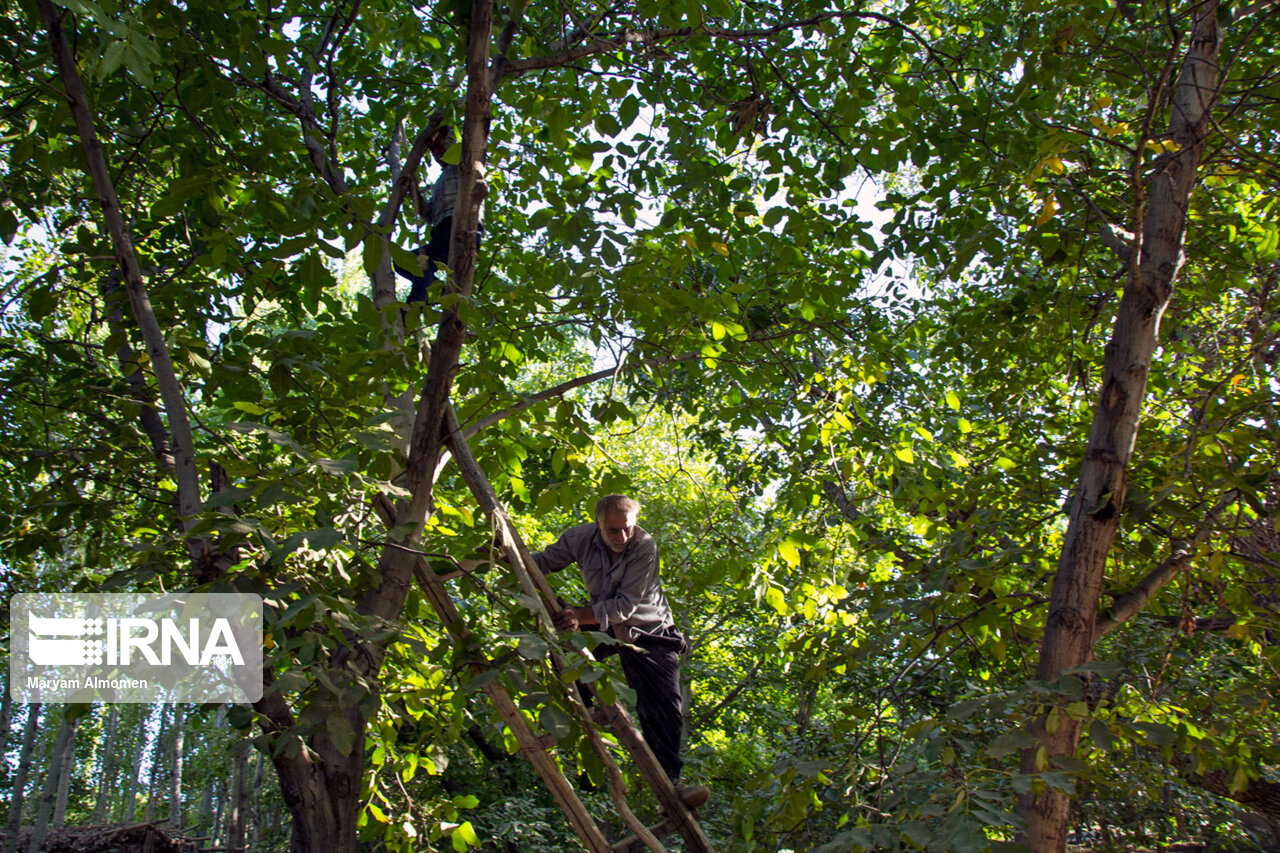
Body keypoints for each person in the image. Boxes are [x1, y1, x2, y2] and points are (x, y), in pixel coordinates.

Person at [534, 494, 710, 809]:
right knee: (560, 648)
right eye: (613, 531)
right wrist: (503, 554)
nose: (622, 537)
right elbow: (544, 563)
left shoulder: (644, 545)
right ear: (598, 524)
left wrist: (580, 616)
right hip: (603, 621)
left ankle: (672, 783)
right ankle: (583, 709)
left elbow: (626, 608)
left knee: (663, 703)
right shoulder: (579, 538)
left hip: (648, 628)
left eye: (627, 528)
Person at [394, 126, 468, 305]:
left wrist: (438, 132)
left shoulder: (463, 165)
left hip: (459, 225)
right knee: (403, 262)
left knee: (424, 262)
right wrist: (413, 190)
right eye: (433, 150)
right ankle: (436, 288)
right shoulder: (440, 182)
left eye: (439, 147)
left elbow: (468, 150)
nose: (436, 153)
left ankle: (416, 303)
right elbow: (428, 214)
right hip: (442, 230)